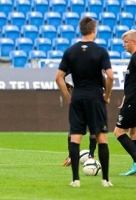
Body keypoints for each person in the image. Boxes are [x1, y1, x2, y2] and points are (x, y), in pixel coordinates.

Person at [55, 16, 114, 187]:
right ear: (94, 30)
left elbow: (59, 77)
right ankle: (105, 179)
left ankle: (75, 179)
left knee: (75, 138)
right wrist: (107, 94)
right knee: (102, 137)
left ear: (81, 30)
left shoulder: (71, 51)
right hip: (96, 97)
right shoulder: (100, 51)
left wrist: (68, 97)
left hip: (78, 97)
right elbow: (110, 76)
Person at [114, 30, 136, 176]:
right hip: (131, 99)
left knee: (118, 131)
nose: (123, 45)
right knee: (133, 132)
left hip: (133, 102)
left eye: (126, 42)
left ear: (134, 42)